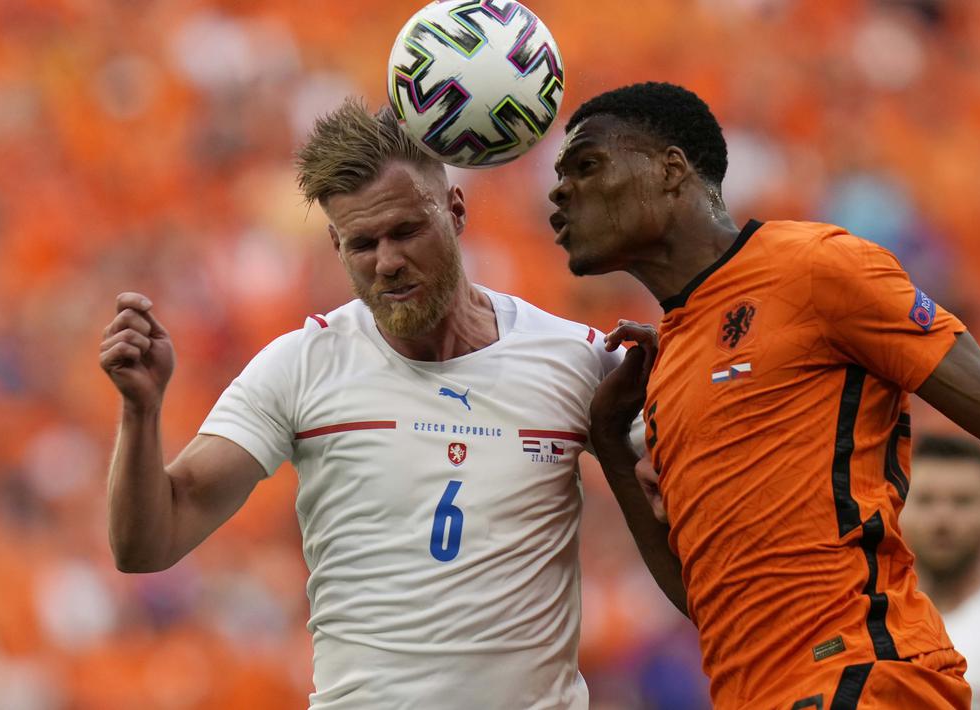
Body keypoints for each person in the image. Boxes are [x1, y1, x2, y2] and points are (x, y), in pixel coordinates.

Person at [100, 98, 634, 709]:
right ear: (335, 243)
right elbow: (147, 544)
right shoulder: (301, 365)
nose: (388, 262)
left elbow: (683, 499)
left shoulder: (576, 359)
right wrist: (140, 413)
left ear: (455, 211)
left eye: (407, 231)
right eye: (362, 244)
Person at [546, 81, 980, 709]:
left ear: (670, 169)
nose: (559, 191)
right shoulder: (667, 362)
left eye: (587, 165)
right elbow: (707, 597)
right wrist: (608, 442)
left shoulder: (815, 267)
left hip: (862, 673)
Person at [903, 433, 980, 710]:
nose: (943, 519)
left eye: (962, 501)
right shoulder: (864, 618)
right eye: (926, 500)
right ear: (898, 509)